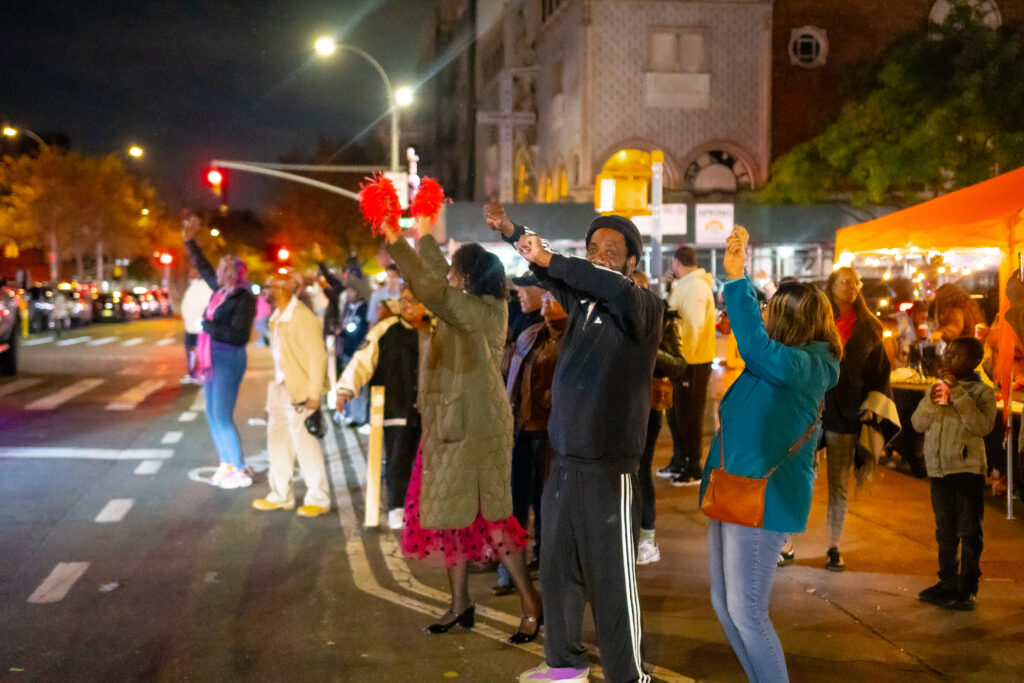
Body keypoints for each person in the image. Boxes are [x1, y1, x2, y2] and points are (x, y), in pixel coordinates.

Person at [485, 203, 662, 683]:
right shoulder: (581, 300)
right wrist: (511, 231)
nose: (600, 257)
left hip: (610, 471)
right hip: (563, 465)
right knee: (559, 571)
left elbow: (589, 277)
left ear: (632, 263)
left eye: (612, 251)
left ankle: (629, 676)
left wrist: (552, 259)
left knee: (612, 583)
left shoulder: (643, 307)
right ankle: (564, 666)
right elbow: (542, 263)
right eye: (593, 249)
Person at [376, 213, 542, 646]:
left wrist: (398, 242)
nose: (449, 276)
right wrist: (422, 236)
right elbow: (435, 278)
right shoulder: (468, 304)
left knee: (496, 518)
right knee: (452, 519)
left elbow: (432, 289)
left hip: (478, 428)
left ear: (469, 278)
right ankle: (459, 603)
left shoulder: (480, 310)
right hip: (452, 426)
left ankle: (530, 604)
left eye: (456, 271)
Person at [701, 225, 841, 682]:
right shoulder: (786, 361)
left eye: (772, 310)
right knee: (726, 606)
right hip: (733, 488)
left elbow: (754, 345)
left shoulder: (806, 365)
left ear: (790, 321)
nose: (765, 316)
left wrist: (738, 279)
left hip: (763, 498)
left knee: (747, 611)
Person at [911, 337, 996, 611]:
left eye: (957, 356)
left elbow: (982, 426)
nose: (949, 359)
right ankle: (946, 582)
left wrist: (959, 394)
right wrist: (932, 402)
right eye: (949, 354)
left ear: (974, 361)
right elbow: (917, 423)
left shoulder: (983, 392)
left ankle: (968, 587)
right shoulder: (936, 388)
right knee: (944, 531)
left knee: (969, 531)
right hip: (938, 470)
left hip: (966, 470)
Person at [820, 266, 896, 571]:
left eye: (855, 282)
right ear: (832, 285)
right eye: (844, 281)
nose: (851, 286)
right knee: (797, 479)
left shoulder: (869, 328)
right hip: (810, 410)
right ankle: (786, 542)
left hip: (846, 414)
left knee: (838, 484)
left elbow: (881, 374)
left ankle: (833, 546)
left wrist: (872, 405)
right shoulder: (815, 322)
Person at [492, 287, 567, 595]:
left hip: (554, 438)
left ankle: (546, 564)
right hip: (523, 432)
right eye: (546, 297)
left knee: (546, 506)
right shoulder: (529, 334)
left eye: (554, 297)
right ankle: (509, 567)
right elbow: (510, 377)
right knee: (515, 504)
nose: (549, 302)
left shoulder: (576, 341)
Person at [336, 284, 430, 530]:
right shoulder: (386, 330)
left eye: (412, 301)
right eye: (404, 300)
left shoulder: (437, 330)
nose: (405, 305)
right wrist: (345, 390)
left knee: (429, 462)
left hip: (432, 410)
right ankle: (397, 507)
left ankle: (425, 508)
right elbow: (362, 361)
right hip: (396, 406)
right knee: (398, 458)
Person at [183, 216, 257, 490]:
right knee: (212, 414)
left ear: (234, 273)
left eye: (224, 269)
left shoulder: (243, 298)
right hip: (212, 359)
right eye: (219, 268)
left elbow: (239, 336)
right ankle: (226, 461)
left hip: (228, 358)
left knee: (223, 415)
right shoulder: (221, 292)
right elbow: (202, 268)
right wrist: (189, 241)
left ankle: (238, 468)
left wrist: (209, 327)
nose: (217, 272)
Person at [251, 271, 332, 517]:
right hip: (279, 388)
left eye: (270, 288)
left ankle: (318, 499)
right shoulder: (277, 316)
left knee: (305, 445)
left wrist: (314, 393)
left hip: (300, 390)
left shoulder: (302, 318)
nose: (265, 292)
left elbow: (318, 357)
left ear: (283, 290)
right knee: (277, 444)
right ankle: (280, 495)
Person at [632, 270, 687, 567]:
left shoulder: (664, 317)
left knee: (641, 469)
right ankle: (627, 535)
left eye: (640, 288)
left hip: (650, 406)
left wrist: (649, 351)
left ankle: (647, 538)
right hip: (618, 406)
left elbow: (679, 363)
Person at [659, 245, 717, 487]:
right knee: (676, 414)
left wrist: (678, 354)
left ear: (676, 262)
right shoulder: (686, 285)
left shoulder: (694, 287)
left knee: (689, 416)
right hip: (684, 360)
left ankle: (693, 466)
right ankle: (680, 461)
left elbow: (692, 325)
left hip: (691, 361)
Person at [180, 268, 213, 384]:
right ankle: (193, 373)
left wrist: (203, 321)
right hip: (190, 326)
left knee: (201, 351)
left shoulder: (204, 287)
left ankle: (202, 373)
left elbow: (207, 306)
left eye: (194, 272)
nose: (191, 274)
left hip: (199, 327)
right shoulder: (192, 287)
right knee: (191, 351)